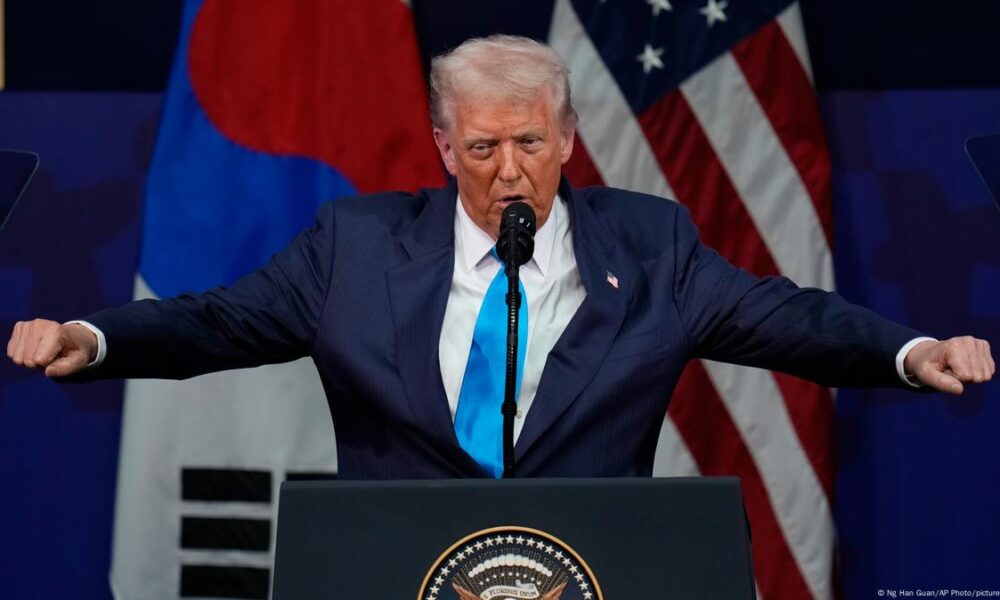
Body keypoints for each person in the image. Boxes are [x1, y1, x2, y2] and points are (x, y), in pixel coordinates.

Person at [6, 35, 995, 479]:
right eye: (483, 148)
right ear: (444, 149)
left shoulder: (649, 246)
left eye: (529, 142)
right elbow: (218, 321)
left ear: (567, 139)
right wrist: (94, 337)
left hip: (592, 574)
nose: (510, 170)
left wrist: (912, 353)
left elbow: (790, 319)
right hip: (397, 576)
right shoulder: (355, 245)